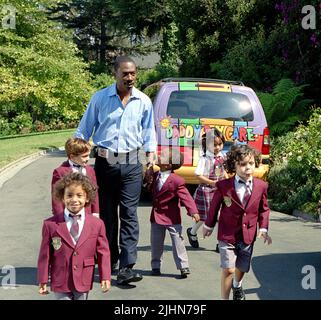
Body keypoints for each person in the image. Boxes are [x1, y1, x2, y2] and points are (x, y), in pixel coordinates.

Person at [74, 55, 157, 285]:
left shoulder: (143, 101)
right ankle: (109, 260)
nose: (130, 77)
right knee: (108, 216)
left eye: (133, 73)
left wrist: (150, 162)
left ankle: (127, 267)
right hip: (105, 165)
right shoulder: (100, 98)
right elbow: (83, 131)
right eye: (125, 73)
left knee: (129, 214)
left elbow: (149, 133)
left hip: (132, 164)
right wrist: (74, 158)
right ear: (115, 74)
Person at [203, 144, 272, 300]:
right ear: (234, 165)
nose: (247, 167)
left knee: (242, 267)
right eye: (243, 164)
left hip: (248, 235)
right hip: (227, 234)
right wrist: (208, 225)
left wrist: (264, 228)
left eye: (251, 163)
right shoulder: (223, 186)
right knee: (228, 269)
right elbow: (214, 207)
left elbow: (264, 209)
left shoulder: (261, 186)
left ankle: (237, 285)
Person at [37, 172, 111, 300]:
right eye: (69, 195)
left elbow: (103, 252)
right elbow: (45, 255)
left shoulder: (97, 224)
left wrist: (105, 276)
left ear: (87, 198)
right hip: (60, 278)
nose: (74, 200)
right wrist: (43, 279)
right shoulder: (50, 224)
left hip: (84, 277)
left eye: (79, 195)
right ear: (62, 198)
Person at [149, 147, 200, 278]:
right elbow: (147, 186)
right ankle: (155, 265)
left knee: (178, 241)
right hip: (156, 216)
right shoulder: (155, 175)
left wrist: (193, 211)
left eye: (163, 156)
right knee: (156, 242)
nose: (159, 156)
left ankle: (183, 266)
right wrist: (147, 173)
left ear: (168, 164)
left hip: (172, 217)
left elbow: (186, 197)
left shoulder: (177, 180)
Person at [187, 128, 227, 250]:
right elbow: (198, 175)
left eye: (220, 144)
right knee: (204, 217)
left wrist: (226, 180)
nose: (218, 147)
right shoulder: (205, 159)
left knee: (221, 217)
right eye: (215, 145)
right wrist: (211, 182)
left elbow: (223, 171)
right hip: (206, 191)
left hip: (220, 191)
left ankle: (220, 243)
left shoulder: (222, 157)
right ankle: (192, 232)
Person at [51, 137, 99, 217]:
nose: (88, 158)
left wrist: (95, 212)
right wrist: (59, 216)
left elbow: (94, 192)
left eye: (88, 155)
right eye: (84, 156)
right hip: (68, 213)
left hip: (87, 214)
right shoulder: (60, 172)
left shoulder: (90, 170)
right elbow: (56, 198)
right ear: (72, 157)